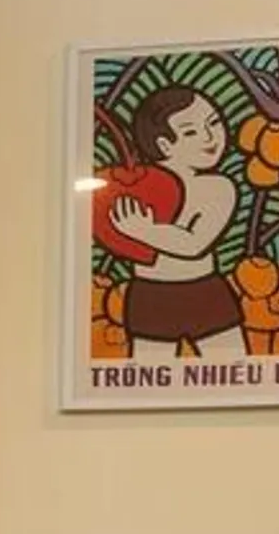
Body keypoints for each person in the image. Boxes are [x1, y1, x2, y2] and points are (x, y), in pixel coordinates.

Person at [103, 83, 247, 358]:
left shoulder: (217, 188)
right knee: (147, 379)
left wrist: (144, 231)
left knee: (232, 368)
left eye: (214, 123)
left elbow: (194, 245)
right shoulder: (136, 188)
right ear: (165, 145)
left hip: (204, 290)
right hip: (150, 295)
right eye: (191, 132)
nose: (210, 137)